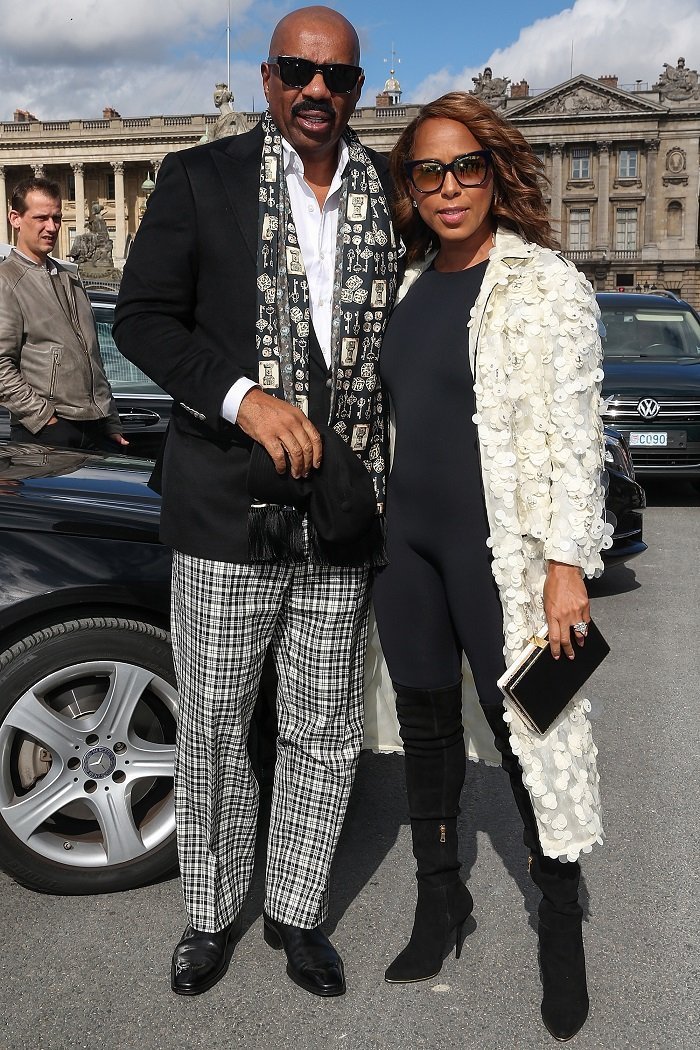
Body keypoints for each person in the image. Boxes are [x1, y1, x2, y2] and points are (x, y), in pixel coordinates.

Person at [114, 5, 399, 999]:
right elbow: (146, 321)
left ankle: (297, 912)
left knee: (322, 728)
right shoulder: (201, 178)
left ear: (357, 89)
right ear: (272, 81)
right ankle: (208, 914)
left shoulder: (386, 188)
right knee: (216, 726)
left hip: (343, 511)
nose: (318, 91)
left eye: (339, 79)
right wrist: (243, 398)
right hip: (225, 506)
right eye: (298, 72)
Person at [371, 92, 609, 1041]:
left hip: (501, 553)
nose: (450, 186)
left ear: (495, 170)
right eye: (429, 171)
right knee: (427, 735)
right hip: (407, 552)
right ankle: (442, 901)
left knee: (531, 733)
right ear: (411, 188)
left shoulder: (546, 284)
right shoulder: (405, 284)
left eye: (467, 166)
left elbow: (575, 439)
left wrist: (567, 563)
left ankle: (561, 921)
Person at [0, 178, 127, 451]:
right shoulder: (6, 280)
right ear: (15, 219)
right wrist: (45, 418)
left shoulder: (70, 278)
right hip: (48, 432)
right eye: (41, 218)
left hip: (96, 426)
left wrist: (112, 421)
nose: (52, 227)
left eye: (56, 218)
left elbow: (92, 356)